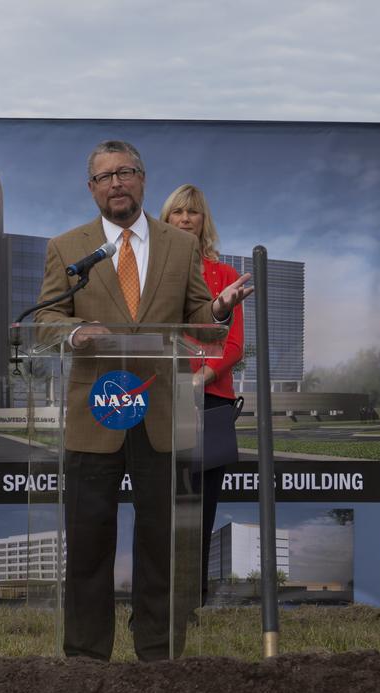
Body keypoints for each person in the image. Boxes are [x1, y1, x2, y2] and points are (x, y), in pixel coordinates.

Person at [36, 140, 253, 661]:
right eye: (105, 176)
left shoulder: (179, 248)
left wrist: (220, 308)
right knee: (89, 539)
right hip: (97, 410)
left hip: (161, 410)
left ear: (142, 181)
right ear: (92, 189)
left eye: (126, 172)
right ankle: (87, 657)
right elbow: (44, 321)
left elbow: (201, 318)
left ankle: (159, 652)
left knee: (161, 540)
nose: (116, 183)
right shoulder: (68, 249)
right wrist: (76, 331)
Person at [160, 184, 247, 605]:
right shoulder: (153, 274)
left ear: (203, 221)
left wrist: (200, 378)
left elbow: (235, 344)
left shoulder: (225, 276)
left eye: (193, 212)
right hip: (162, 399)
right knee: (164, 499)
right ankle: (162, 590)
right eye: (177, 212)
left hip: (211, 401)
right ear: (166, 220)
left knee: (203, 502)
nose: (185, 219)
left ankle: (193, 596)